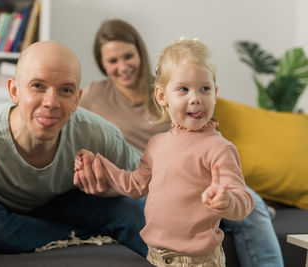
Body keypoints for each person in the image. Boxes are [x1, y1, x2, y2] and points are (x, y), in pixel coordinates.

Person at [0, 41, 147, 262]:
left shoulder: (98, 134)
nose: (51, 102)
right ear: (14, 91)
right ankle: (86, 235)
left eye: (65, 90)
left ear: (77, 99)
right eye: (37, 86)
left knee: (130, 209)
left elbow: (150, 186)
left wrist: (113, 187)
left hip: (63, 207)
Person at [79, 19, 284, 266]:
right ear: (162, 97)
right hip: (154, 181)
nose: (122, 66)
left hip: (196, 176)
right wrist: (101, 165)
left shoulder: (176, 83)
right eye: (112, 60)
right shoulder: (95, 96)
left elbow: (205, 142)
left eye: (127, 56)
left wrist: (230, 199)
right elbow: (134, 182)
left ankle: (240, 208)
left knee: (248, 202)